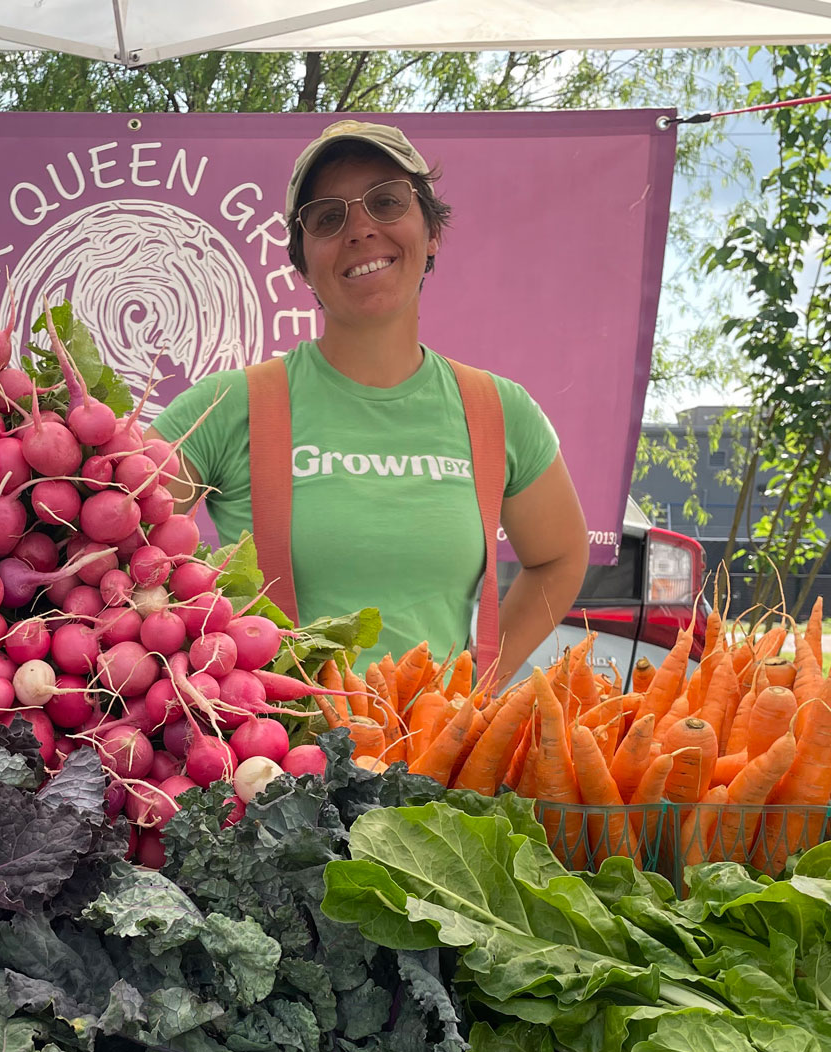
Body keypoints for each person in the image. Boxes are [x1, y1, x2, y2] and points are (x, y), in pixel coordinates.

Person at [152, 121, 589, 682]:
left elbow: (559, 556)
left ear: (431, 233)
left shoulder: (497, 410)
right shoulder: (225, 407)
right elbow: (116, 543)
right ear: (302, 262)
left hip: (438, 764)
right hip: (272, 763)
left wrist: (481, 684)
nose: (360, 228)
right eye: (328, 218)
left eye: (385, 202)